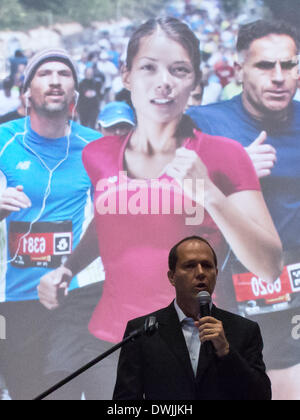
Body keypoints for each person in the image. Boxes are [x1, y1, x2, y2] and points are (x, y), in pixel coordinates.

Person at [38, 17, 282, 399]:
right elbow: (108, 223)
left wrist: (209, 194)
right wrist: (67, 269)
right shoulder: (97, 154)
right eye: (148, 67)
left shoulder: (224, 155)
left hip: (195, 346)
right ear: (126, 75)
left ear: (196, 81)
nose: (163, 80)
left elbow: (269, 265)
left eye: (179, 69)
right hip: (111, 343)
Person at [186, 20, 300, 400]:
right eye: (265, 66)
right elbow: (163, 205)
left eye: (289, 65)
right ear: (239, 70)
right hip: (228, 292)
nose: (279, 77)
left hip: (293, 290)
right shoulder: (204, 124)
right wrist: (234, 167)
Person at [0, 48, 105, 400]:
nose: (56, 80)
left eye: (64, 73)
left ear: (75, 91)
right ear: (25, 92)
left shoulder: (97, 146)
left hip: (73, 298)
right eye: (44, 74)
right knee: (25, 390)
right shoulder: (4, 141)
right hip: (16, 299)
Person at [113, 236, 272, 400]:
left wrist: (226, 351)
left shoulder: (244, 330)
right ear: (172, 277)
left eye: (207, 266)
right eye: (189, 266)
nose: (201, 273)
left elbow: (262, 396)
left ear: (216, 274)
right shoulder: (143, 331)